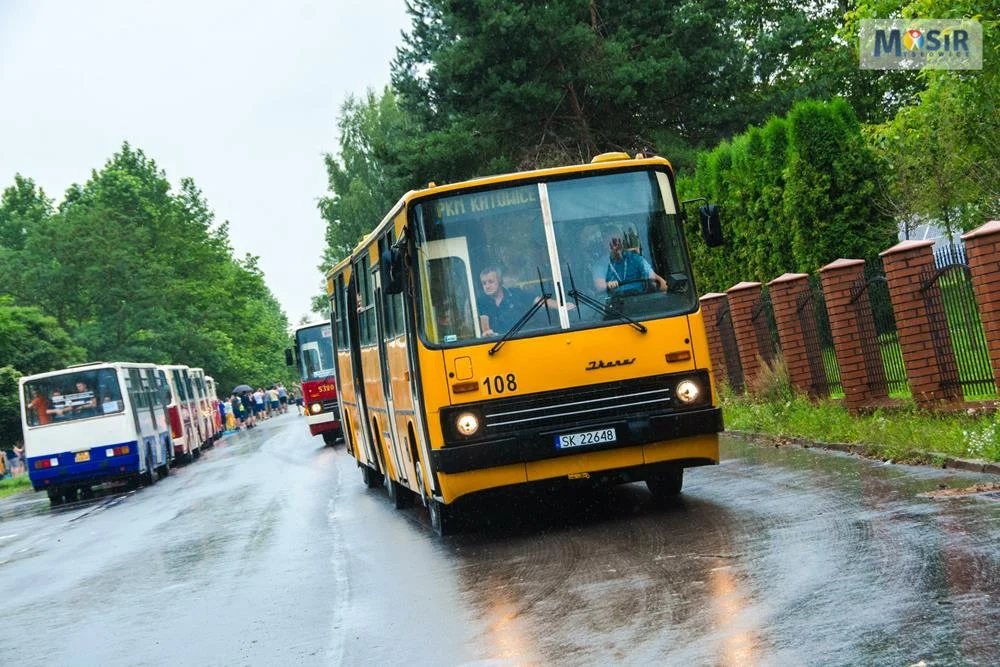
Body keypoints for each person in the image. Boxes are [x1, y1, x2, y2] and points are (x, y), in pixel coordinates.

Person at [478, 266, 570, 336]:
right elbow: (485, 325)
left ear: (500, 281)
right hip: (500, 345)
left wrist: (562, 306)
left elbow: (540, 301)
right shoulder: (483, 302)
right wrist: (488, 334)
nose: (487, 286)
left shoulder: (516, 294)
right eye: (484, 283)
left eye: (491, 281)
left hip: (523, 339)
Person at [593, 236, 667, 295]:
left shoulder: (635, 258)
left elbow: (652, 276)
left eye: (618, 241)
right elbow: (599, 286)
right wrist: (608, 285)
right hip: (615, 303)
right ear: (605, 244)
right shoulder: (601, 264)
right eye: (612, 242)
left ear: (622, 242)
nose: (616, 245)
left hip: (640, 298)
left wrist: (661, 283)